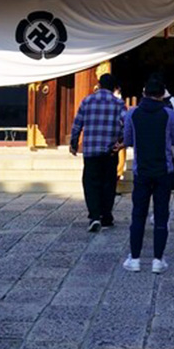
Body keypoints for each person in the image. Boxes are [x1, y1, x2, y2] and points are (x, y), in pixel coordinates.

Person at [122, 73, 174, 273]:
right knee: (161, 215)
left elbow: (128, 140)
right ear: (162, 94)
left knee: (138, 214)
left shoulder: (132, 113)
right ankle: (158, 259)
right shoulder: (168, 114)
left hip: (141, 169)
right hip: (163, 169)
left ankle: (135, 258)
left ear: (144, 93)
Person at [68, 72, 124, 233]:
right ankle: (106, 216)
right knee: (108, 183)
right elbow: (127, 124)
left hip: (91, 150)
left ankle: (94, 216)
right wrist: (121, 142)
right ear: (114, 88)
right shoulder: (118, 103)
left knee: (91, 182)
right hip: (110, 150)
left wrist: (73, 142)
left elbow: (77, 123)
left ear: (99, 85)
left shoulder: (87, 101)